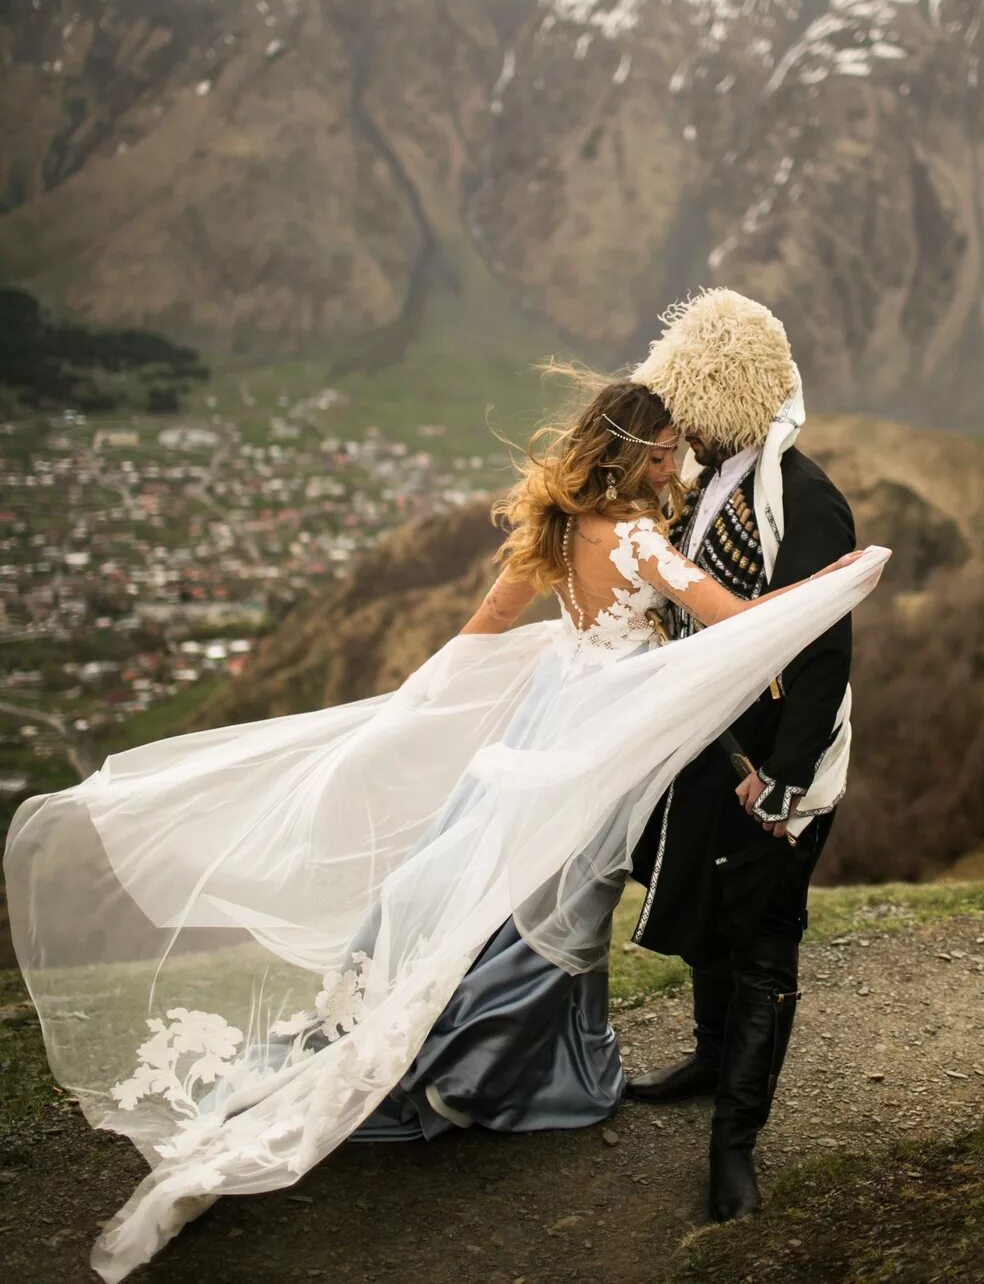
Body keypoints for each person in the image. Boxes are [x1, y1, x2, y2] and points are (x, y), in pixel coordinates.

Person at [3, 370, 888, 1282]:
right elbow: (736, 623)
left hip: (550, 711)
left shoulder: (556, 527)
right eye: (667, 455)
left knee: (505, 890)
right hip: (595, 738)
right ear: (641, 455)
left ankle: (538, 1061)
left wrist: (414, 705)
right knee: (560, 911)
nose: (679, 469)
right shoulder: (636, 542)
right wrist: (830, 587)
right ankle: (490, 1073)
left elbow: (487, 622)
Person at [626, 288, 857, 1224]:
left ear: (729, 407)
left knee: (763, 937)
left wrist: (790, 783)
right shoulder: (699, 488)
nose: (680, 427)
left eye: (694, 410)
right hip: (703, 750)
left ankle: (735, 1145)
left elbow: (823, 653)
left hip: (773, 766)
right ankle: (711, 1057)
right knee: (706, 912)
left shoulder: (807, 502)